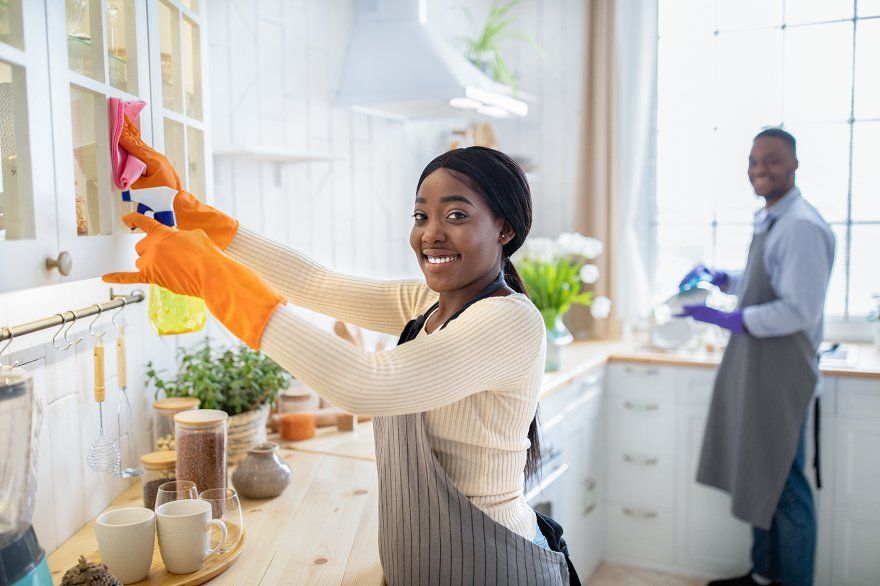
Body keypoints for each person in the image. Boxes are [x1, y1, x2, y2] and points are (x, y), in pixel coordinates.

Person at [104, 120, 579, 585]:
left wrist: (213, 279)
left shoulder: (508, 321)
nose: (430, 233)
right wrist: (197, 218)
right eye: (421, 215)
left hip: (495, 569)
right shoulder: (431, 307)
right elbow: (317, 284)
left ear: (504, 229)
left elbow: (367, 384)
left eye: (456, 215)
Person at [677, 127, 835, 586]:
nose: (760, 169)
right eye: (753, 161)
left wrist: (731, 319)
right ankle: (764, 575)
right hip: (762, 368)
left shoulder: (802, 225)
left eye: (771, 160)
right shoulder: (776, 220)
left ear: (794, 165)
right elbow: (769, 276)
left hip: (782, 373)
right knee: (761, 477)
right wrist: (724, 277)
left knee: (784, 486)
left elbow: (797, 310)